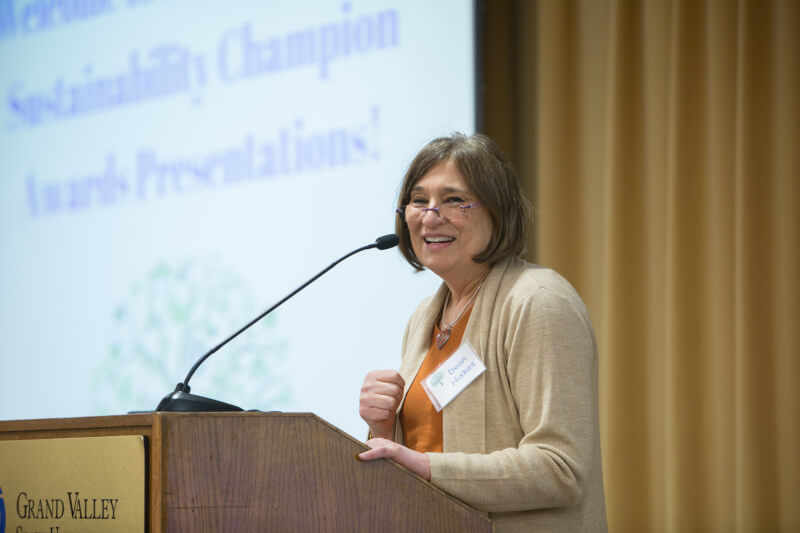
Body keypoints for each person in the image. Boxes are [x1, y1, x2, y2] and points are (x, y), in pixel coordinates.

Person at [357, 133, 607, 532]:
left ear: (498, 210)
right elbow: (425, 453)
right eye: (419, 200)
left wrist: (427, 466)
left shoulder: (537, 302)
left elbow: (561, 468)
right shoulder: (424, 318)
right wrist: (385, 429)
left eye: (453, 199)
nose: (430, 216)